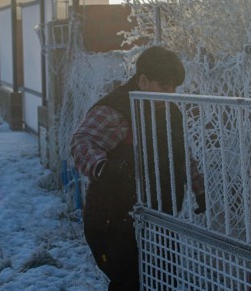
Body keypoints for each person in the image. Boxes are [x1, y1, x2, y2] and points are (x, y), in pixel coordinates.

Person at [71, 45, 205, 291]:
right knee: (129, 283)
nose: (171, 94)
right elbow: (82, 143)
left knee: (162, 282)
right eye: (164, 86)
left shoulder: (169, 111)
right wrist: (103, 168)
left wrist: (198, 187)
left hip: (161, 217)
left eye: (174, 87)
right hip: (113, 221)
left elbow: (181, 151)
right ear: (143, 80)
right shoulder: (116, 110)